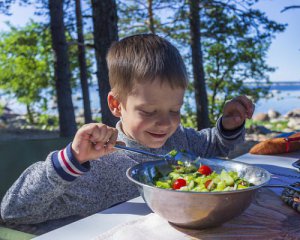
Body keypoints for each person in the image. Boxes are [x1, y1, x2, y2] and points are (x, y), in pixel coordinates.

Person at [0, 34, 254, 233]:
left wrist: (228, 127)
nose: (165, 123)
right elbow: (14, 212)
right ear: (116, 105)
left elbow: (212, 148)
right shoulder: (95, 163)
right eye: (148, 111)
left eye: (174, 110)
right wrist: (72, 160)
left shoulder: (179, 139)